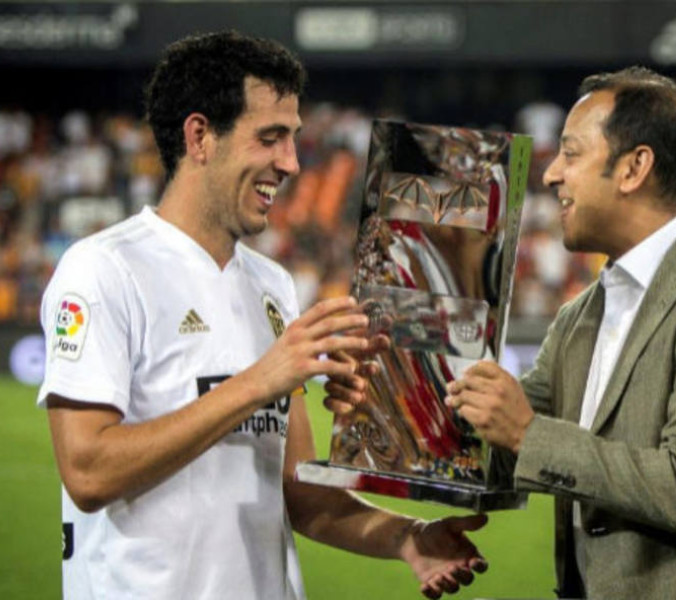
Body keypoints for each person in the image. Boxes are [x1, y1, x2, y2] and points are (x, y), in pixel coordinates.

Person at [37, 31, 487, 600]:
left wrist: (409, 538)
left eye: (293, 138)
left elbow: (299, 496)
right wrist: (260, 381)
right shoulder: (104, 269)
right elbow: (88, 472)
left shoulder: (272, 285)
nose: (292, 163)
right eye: (270, 138)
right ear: (200, 137)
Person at [328, 66, 676, 598]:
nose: (551, 174)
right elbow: (498, 447)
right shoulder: (583, 313)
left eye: (571, 154)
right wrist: (386, 403)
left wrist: (527, 433)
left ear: (634, 167)